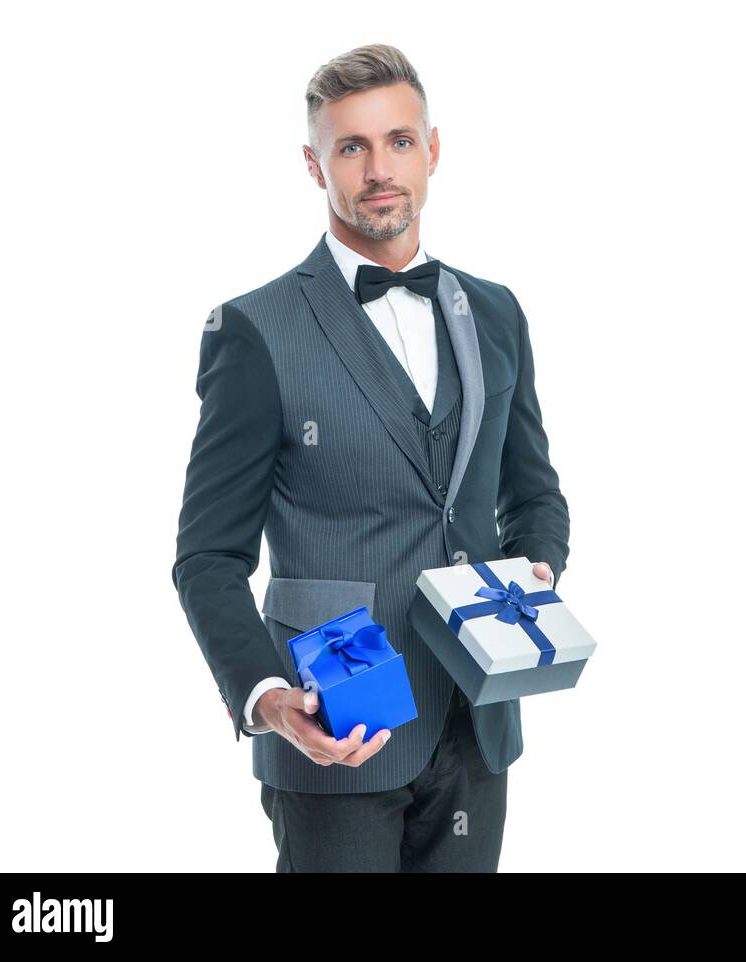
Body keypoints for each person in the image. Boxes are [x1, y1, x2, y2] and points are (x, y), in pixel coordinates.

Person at [171, 42, 571, 872]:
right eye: (350, 147)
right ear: (315, 166)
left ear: (432, 150)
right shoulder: (254, 331)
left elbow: (532, 494)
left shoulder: (495, 311)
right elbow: (207, 557)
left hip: (478, 721)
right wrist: (267, 699)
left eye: (397, 141)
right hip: (334, 731)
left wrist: (535, 574)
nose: (378, 168)